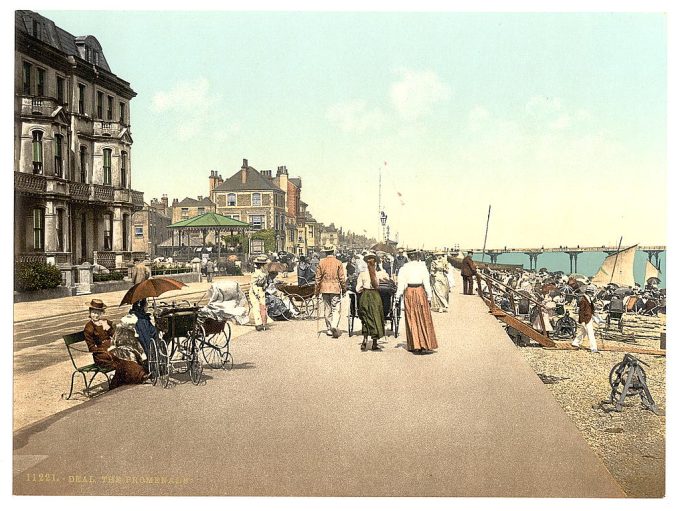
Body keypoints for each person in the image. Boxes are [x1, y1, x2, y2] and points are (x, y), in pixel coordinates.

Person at [83, 299, 148, 389]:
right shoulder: (89, 327)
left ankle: (134, 376)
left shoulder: (105, 322)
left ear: (102, 313)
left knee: (127, 353)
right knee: (121, 357)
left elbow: (115, 334)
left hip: (111, 349)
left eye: (98, 313)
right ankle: (139, 375)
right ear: (90, 312)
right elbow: (91, 348)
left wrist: (108, 328)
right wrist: (105, 350)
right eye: (93, 312)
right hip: (101, 355)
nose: (96, 315)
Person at [395, 250, 438, 354]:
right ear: (417, 256)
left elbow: (401, 285)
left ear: (409, 257)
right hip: (420, 291)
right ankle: (424, 344)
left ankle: (415, 345)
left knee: (412, 317)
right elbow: (426, 283)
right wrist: (429, 296)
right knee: (423, 317)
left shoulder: (404, 268)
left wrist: (397, 297)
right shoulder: (422, 267)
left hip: (409, 292)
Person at [355, 253, 388, 351]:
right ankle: (374, 343)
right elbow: (386, 280)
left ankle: (364, 340)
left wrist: (362, 289)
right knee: (376, 317)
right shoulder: (379, 274)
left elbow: (357, 289)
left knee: (365, 318)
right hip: (375, 297)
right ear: (376, 263)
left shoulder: (362, 274)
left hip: (365, 297)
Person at [314, 244, 347, 338]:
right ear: (333, 252)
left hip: (324, 288)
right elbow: (342, 278)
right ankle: (334, 325)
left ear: (325, 252)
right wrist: (344, 289)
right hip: (335, 288)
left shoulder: (321, 263)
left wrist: (316, 291)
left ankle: (328, 329)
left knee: (327, 308)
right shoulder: (338, 263)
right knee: (336, 308)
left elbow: (317, 278)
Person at [569, 280, 599, 353]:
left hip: (588, 317)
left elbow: (591, 308)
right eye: (592, 292)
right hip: (586, 319)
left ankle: (575, 342)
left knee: (582, 332)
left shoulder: (588, 299)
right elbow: (581, 312)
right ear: (589, 292)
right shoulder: (583, 300)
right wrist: (582, 320)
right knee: (590, 333)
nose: (593, 294)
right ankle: (593, 347)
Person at [249, 255, 269, 331]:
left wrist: (265, 285)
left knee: (263, 307)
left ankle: (263, 323)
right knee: (257, 307)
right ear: (261, 265)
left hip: (261, 291)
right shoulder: (256, 274)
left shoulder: (265, 273)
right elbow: (253, 284)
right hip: (255, 291)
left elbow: (265, 282)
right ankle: (258, 324)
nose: (266, 266)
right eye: (265, 265)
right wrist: (256, 293)